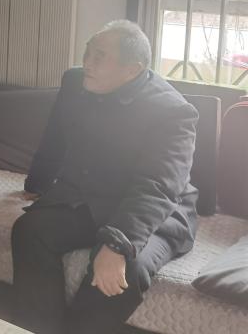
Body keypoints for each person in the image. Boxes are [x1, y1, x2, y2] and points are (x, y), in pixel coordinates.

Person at [11, 20, 199, 334]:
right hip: (95, 197)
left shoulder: (172, 111)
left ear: (132, 70)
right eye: (88, 52)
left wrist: (117, 244)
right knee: (30, 229)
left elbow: (158, 186)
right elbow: (56, 136)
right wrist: (37, 183)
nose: (88, 62)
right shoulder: (76, 82)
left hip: (156, 213)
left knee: (128, 269)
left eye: (100, 57)